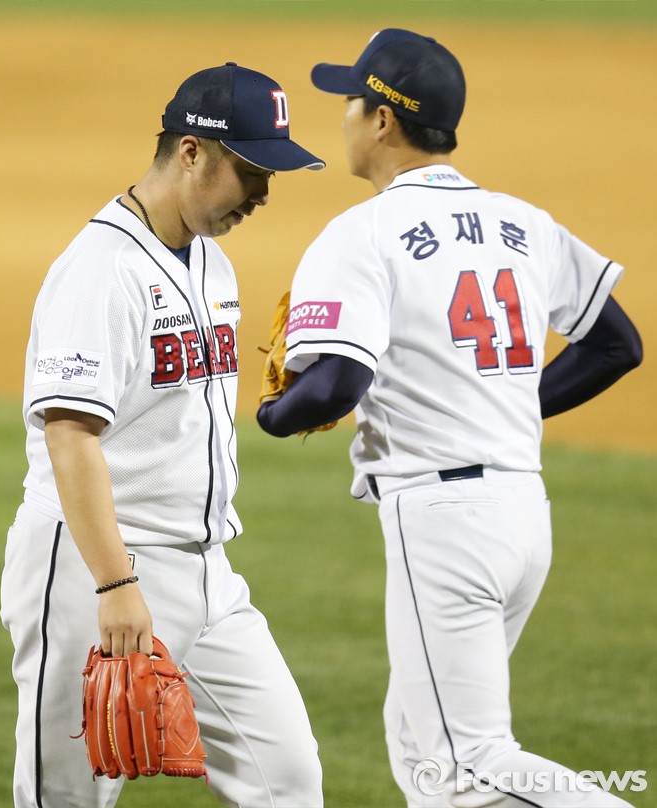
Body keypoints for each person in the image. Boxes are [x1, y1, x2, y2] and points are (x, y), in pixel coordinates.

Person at [257, 29, 642, 808]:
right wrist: (496, 402)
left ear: (383, 121)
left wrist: (272, 415)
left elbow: (335, 385)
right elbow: (616, 345)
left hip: (446, 523)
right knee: (421, 748)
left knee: (467, 764)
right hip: (521, 515)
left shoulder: (361, 233)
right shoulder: (522, 222)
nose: (343, 115)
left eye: (351, 100)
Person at [1, 62, 326, 808]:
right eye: (251, 171)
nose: (263, 193)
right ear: (190, 152)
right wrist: (115, 585)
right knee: (67, 798)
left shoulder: (211, 259)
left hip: (208, 574)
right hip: (96, 571)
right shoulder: (99, 270)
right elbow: (70, 434)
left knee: (289, 781)